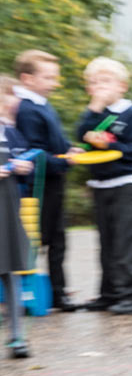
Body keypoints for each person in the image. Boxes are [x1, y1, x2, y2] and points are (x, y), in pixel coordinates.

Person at [76, 57, 132, 315]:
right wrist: (93, 109)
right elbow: (82, 136)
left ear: (122, 86)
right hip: (100, 184)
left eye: (105, 81)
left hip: (125, 184)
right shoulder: (96, 115)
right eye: (93, 83)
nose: (99, 87)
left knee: (125, 242)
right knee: (106, 242)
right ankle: (109, 293)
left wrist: (109, 145)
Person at [13, 50, 78, 311]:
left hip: (54, 184)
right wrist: (64, 161)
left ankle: (57, 293)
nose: (54, 83)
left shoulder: (42, 103)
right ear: (27, 78)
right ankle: (33, 294)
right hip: (37, 188)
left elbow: (56, 142)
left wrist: (70, 149)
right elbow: (35, 153)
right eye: (48, 77)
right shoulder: (26, 109)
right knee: (36, 241)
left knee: (58, 241)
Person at [1, 77, 36, 357]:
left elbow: (23, 158)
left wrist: (24, 166)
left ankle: (17, 336)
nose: (16, 101)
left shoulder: (9, 131)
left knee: (10, 268)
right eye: (11, 95)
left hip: (8, 203)